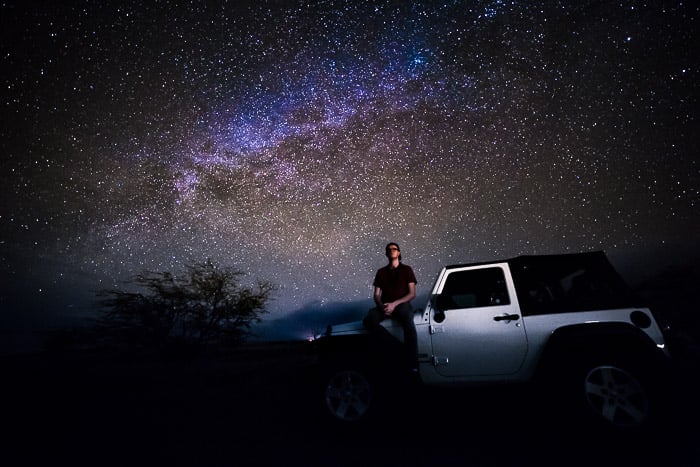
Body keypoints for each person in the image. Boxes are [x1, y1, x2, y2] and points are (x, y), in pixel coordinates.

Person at [363, 242, 418, 372]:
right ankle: (398, 348)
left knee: (408, 321)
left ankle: (413, 364)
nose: (391, 250)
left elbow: (412, 294)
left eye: (394, 249)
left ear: (399, 253)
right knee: (368, 321)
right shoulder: (381, 272)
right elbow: (376, 295)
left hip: (401, 304)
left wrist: (394, 304)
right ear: (386, 254)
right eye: (389, 249)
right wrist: (382, 306)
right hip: (385, 305)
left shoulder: (407, 269)